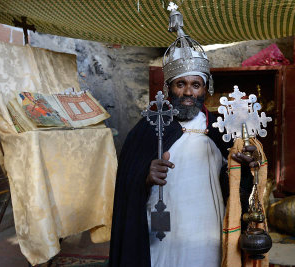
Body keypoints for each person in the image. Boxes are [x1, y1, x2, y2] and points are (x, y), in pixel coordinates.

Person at [108, 3, 258, 267]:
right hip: (162, 234)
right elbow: (125, 189)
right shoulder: (147, 129)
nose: (188, 93)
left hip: (207, 231)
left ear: (205, 90)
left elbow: (235, 187)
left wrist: (242, 168)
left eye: (195, 85)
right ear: (168, 89)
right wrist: (145, 177)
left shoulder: (218, 131)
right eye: (181, 84)